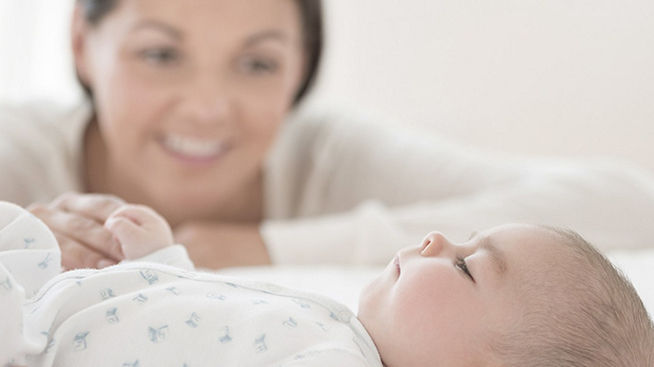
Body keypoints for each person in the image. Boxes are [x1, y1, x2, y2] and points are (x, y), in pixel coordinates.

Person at [2, 0, 654, 271]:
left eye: (258, 64)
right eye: (160, 55)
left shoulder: (326, 155)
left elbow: (631, 203)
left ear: (301, 71)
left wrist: (259, 247)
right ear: (84, 46)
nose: (206, 109)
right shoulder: (21, 145)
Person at [1, 201, 652, 366]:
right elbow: (212, 324)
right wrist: (163, 260)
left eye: (466, 265)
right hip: (57, 308)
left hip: (47, 348)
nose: (435, 239)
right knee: (23, 232)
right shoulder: (339, 328)